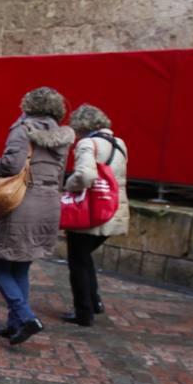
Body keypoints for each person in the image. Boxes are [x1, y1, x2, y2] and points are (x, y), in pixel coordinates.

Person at [0, 86, 75, 346]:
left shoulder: (23, 129)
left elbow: (11, 164)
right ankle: (15, 324)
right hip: (48, 203)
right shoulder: (62, 137)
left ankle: (26, 316)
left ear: (28, 105)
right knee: (21, 265)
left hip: (23, 202)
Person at [62, 104, 129, 327]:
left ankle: (83, 312)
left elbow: (85, 175)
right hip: (114, 211)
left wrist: (68, 186)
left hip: (90, 212)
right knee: (85, 257)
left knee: (77, 262)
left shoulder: (86, 144)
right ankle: (95, 302)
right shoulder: (119, 144)